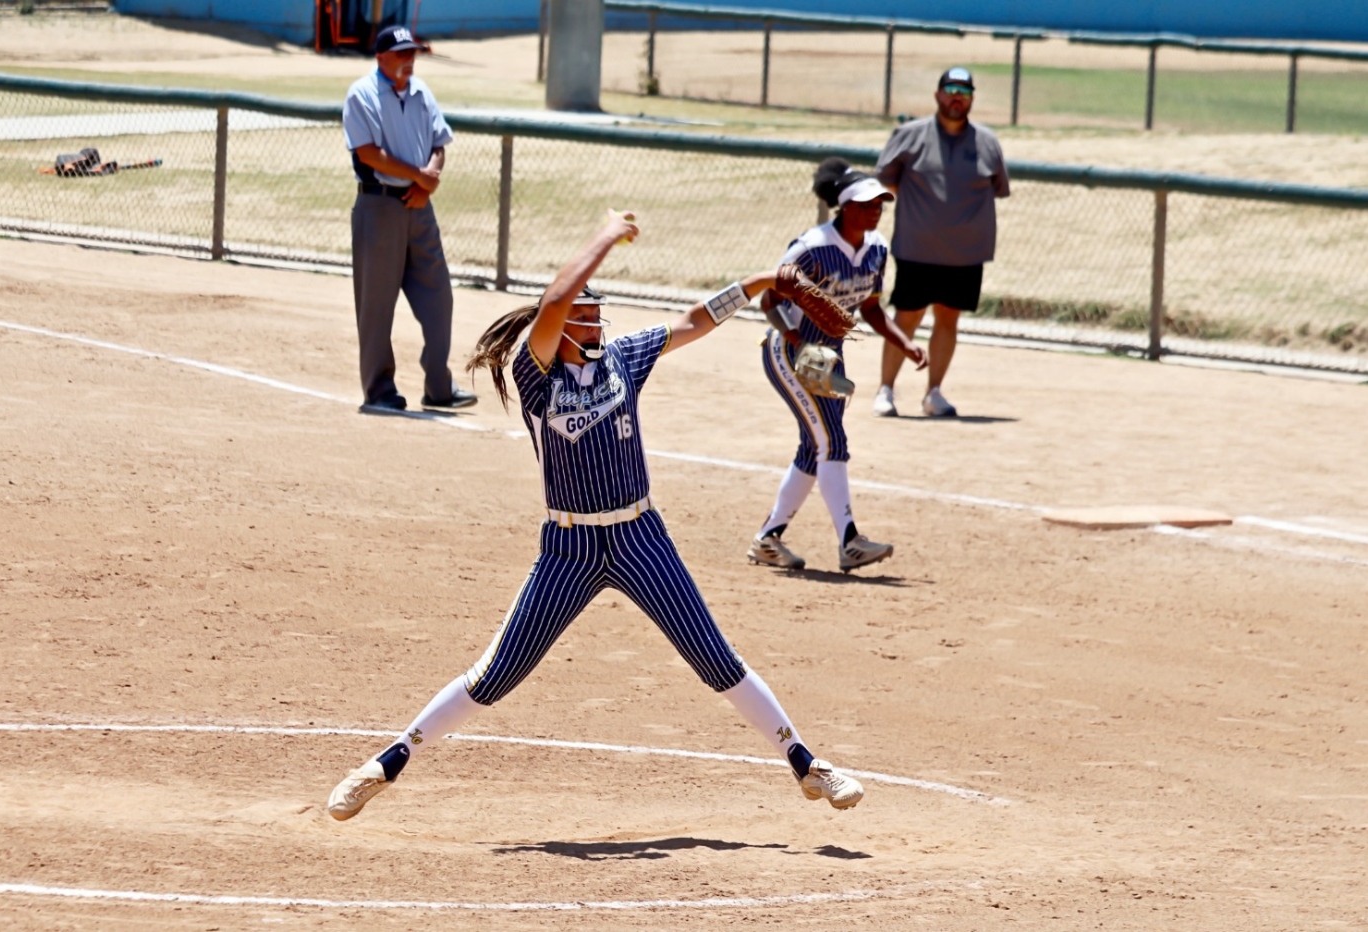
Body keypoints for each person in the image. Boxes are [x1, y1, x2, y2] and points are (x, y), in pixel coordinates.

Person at [327, 210, 866, 821]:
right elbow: (556, 297)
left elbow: (694, 320)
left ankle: (806, 764)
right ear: (555, 326)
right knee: (496, 674)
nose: (595, 320)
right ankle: (386, 762)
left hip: (640, 538)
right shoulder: (536, 375)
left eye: (596, 312)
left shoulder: (624, 359)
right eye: (584, 313)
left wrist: (759, 282)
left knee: (715, 656)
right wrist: (606, 237)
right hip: (568, 551)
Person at [748, 159, 927, 573]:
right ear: (844, 206)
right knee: (832, 442)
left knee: (816, 447)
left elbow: (871, 308)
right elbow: (770, 302)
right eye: (866, 203)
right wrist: (798, 344)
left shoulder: (877, 249)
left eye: (880, 203)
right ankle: (850, 541)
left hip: (830, 355)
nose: (876, 209)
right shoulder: (812, 248)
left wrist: (906, 343)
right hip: (789, 350)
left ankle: (768, 539)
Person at [343, 24, 476, 413]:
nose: (410, 59)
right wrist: (418, 176)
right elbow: (368, 154)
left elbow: (439, 142)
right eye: (402, 53)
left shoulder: (422, 93)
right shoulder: (361, 95)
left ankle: (439, 387)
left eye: (413, 52)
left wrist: (428, 182)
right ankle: (379, 390)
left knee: (440, 297)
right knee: (376, 306)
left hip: (420, 208)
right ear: (381, 57)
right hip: (379, 207)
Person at [874, 66, 1010, 418]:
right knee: (906, 317)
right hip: (916, 249)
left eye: (964, 92)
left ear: (971, 99)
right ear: (937, 95)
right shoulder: (910, 135)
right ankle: (885, 390)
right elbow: (887, 180)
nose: (956, 97)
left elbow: (998, 186)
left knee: (948, 319)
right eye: (950, 89)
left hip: (965, 255)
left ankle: (934, 393)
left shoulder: (987, 142)